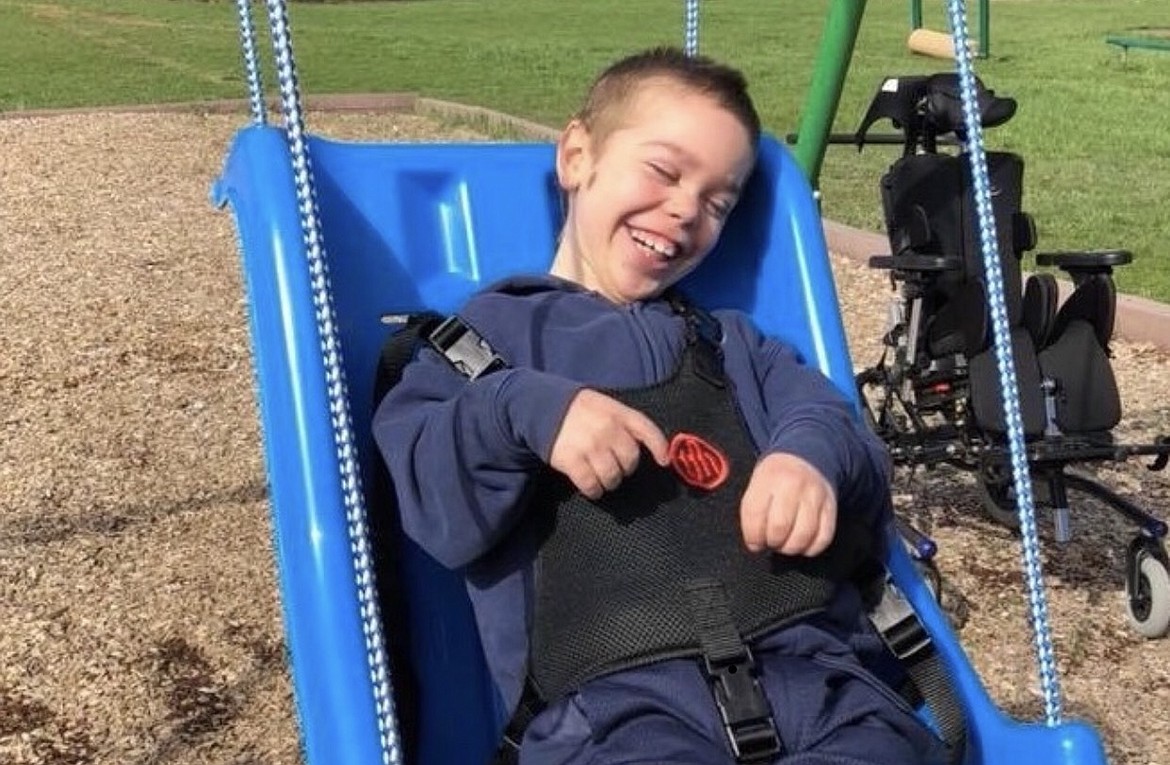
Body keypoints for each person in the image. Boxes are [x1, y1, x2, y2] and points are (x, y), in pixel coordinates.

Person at [374, 46, 946, 765]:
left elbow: (841, 428)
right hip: (615, 712)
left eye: (718, 203)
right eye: (664, 171)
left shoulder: (732, 343)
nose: (685, 210)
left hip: (824, 682)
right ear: (577, 155)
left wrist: (809, 460)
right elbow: (434, 504)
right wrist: (520, 409)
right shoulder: (475, 347)